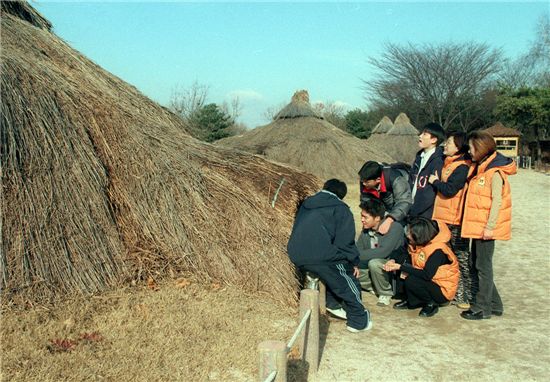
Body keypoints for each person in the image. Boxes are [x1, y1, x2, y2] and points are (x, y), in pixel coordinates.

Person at [287, 179, 372, 332]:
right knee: (347, 279)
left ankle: (332, 303)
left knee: (330, 272)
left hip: (296, 253)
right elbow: (345, 242)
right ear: (341, 195)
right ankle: (359, 321)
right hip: (321, 255)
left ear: (324, 188)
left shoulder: (306, 204)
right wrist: (354, 262)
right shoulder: (341, 208)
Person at [460, 131, 517, 320]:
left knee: (482, 267)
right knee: (477, 265)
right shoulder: (481, 168)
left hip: (485, 228)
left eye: (472, 147)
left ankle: (481, 308)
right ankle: (495, 305)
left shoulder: (494, 173)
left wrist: (490, 227)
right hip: (479, 226)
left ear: (481, 148)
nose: (469, 150)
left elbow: (497, 202)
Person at [429, 132, 475, 309]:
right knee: (450, 258)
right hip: (443, 218)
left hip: (454, 219)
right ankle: (455, 293)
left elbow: (450, 189)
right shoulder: (448, 163)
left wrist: (435, 182)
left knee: (462, 258)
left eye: (448, 143)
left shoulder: (462, 166)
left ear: (458, 146)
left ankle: (466, 296)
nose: (445, 145)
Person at [383, 217, 459, 317]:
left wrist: (400, 267)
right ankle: (413, 301)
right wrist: (393, 260)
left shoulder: (437, 251)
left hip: (442, 290)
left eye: (411, 233)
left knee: (412, 278)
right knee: (406, 270)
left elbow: (427, 275)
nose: (408, 236)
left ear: (419, 236)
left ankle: (431, 304)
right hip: (431, 283)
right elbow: (401, 251)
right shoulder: (418, 244)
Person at [356, 198, 404, 306]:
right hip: (373, 267)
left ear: (377, 218)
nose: (362, 220)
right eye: (361, 216)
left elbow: (383, 252)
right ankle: (374, 287)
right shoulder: (366, 229)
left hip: (390, 267)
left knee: (374, 263)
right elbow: (359, 249)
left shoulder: (395, 228)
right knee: (350, 269)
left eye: (365, 217)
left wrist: (354, 255)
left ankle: (385, 293)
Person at [358, 161, 412, 234]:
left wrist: (390, 219)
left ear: (378, 180)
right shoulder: (365, 181)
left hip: (400, 211)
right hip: (382, 210)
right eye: (362, 181)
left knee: (397, 230)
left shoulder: (396, 179)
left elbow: (404, 202)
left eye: (366, 182)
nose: (363, 184)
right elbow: (367, 203)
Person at [409, 122, 445, 218]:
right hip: (411, 209)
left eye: (424, 134)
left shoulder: (438, 161)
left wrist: (415, 211)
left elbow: (429, 193)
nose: (420, 136)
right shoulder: (419, 157)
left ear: (433, 140)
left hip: (424, 214)